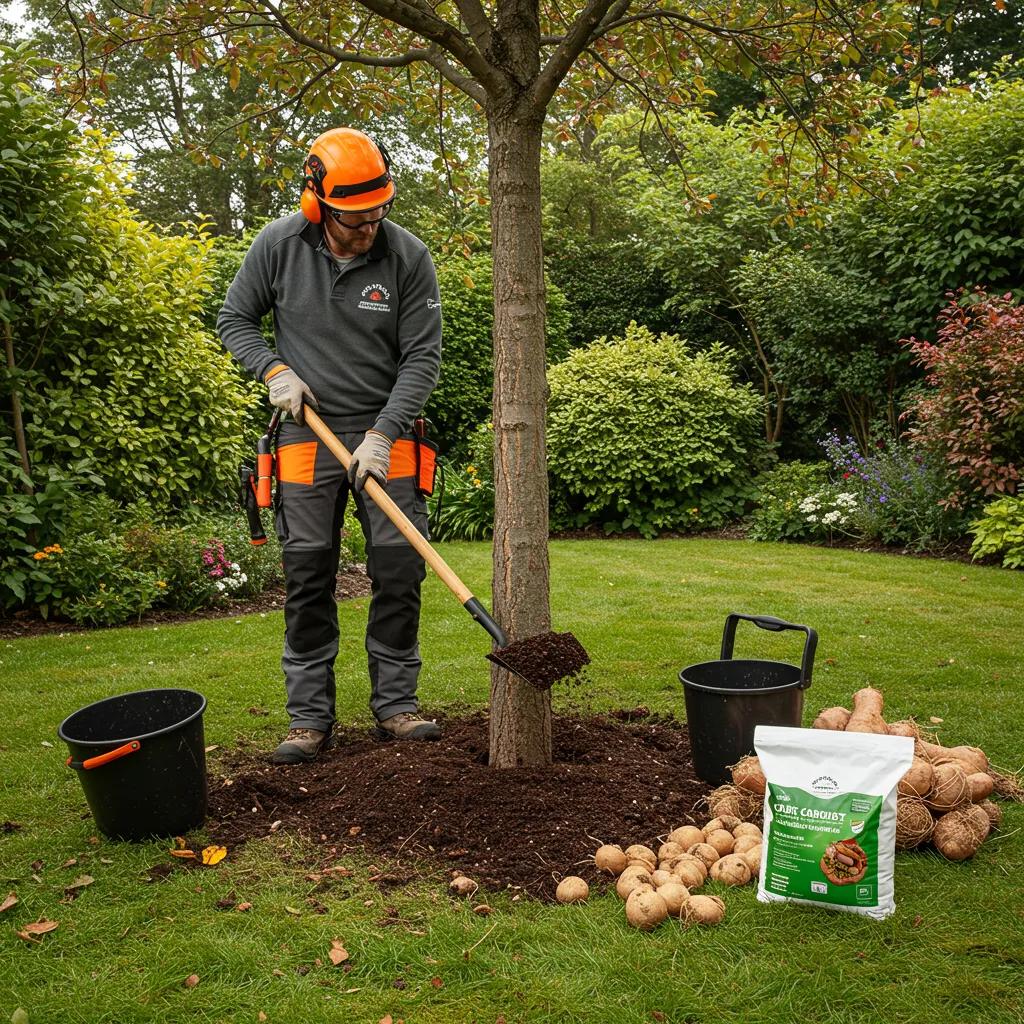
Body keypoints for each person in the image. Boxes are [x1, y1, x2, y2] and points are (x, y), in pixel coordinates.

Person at [218, 127, 443, 764]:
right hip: (305, 434)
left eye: (379, 210)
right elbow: (235, 318)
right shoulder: (279, 246)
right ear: (318, 203)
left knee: (399, 567)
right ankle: (309, 719)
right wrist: (272, 369)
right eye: (355, 215)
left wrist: (383, 432)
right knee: (308, 570)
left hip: (384, 433)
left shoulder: (406, 256)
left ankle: (396, 707)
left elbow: (422, 357)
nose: (369, 224)